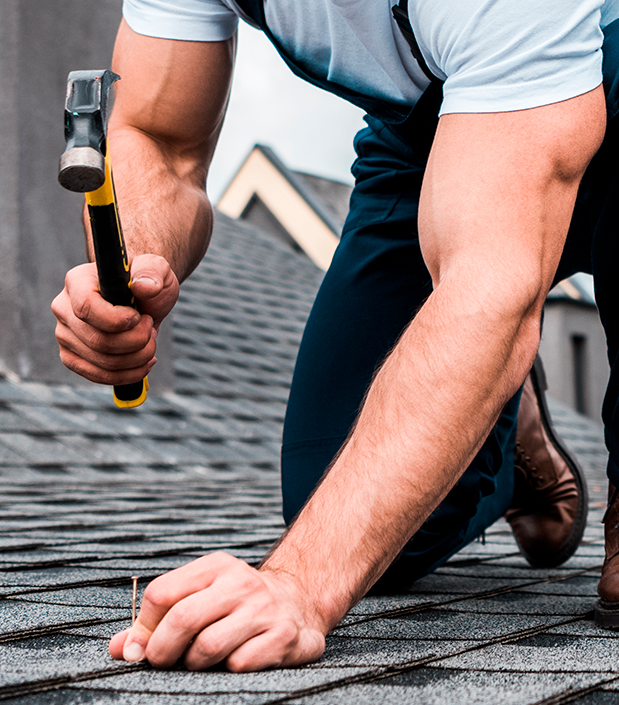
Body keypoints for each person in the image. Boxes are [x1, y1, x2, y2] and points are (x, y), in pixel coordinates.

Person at [51, 0, 619, 672]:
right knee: (351, 507)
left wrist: (300, 584)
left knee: (488, 308)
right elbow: (158, 139)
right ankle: (500, 406)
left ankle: (488, 374)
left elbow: (489, 289)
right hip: (434, 121)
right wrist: (139, 266)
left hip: (585, 76)